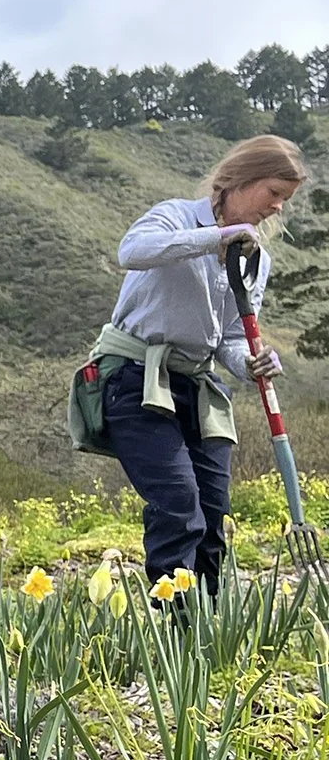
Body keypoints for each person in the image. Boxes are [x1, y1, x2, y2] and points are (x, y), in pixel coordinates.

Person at [83, 135, 306, 595]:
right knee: (179, 503)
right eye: (274, 194)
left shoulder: (255, 258)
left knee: (214, 513)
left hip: (196, 386)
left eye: (285, 199)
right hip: (134, 378)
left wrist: (252, 363)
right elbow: (133, 251)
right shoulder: (176, 216)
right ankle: (172, 623)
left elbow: (229, 337)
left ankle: (202, 632)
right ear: (240, 180)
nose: (278, 208)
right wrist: (215, 239)